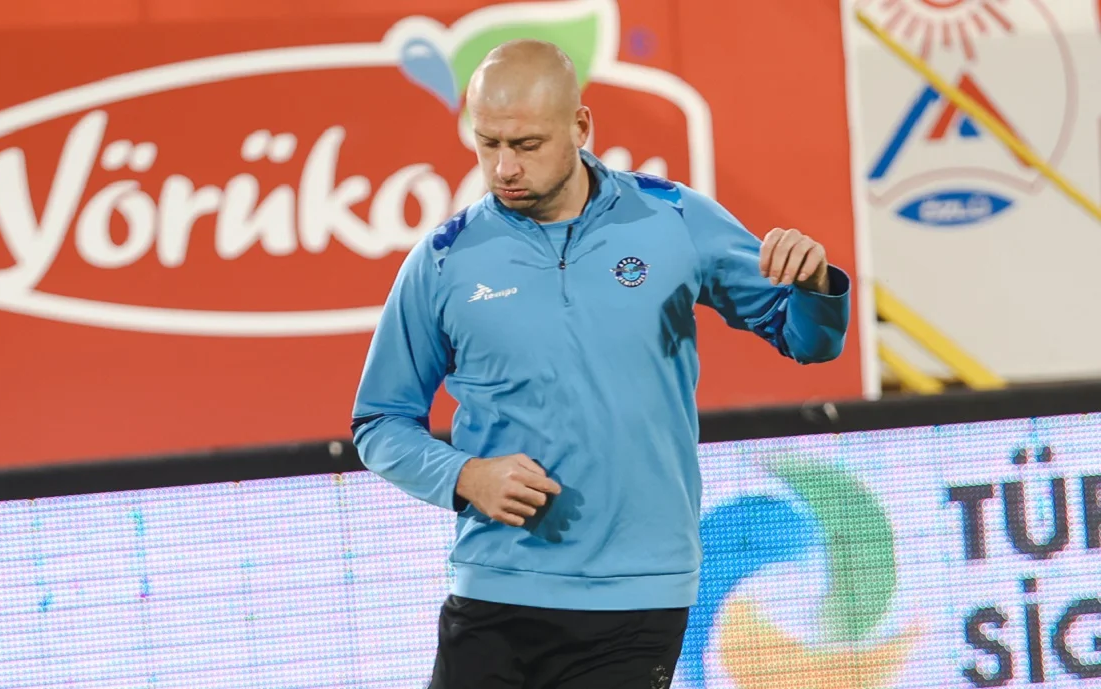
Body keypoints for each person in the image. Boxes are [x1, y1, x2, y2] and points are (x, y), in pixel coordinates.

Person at [351, 39, 851, 689]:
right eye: (487, 143)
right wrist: (464, 475)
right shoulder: (444, 259)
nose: (504, 167)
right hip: (496, 591)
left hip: (639, 598)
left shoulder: (674, 218)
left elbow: (808, 341)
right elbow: (380, 422)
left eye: (527, 145)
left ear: (581, 126)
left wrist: (814, 284)